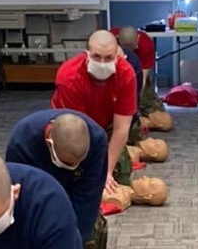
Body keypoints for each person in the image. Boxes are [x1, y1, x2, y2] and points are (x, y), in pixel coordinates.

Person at [5, 109, 109, 249]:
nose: (71, 166)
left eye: (76, 163)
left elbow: (88, 197)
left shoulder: (97, 140)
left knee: (85, 248)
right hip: (36, 201)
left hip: (74, 194)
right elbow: (20, 200)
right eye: (67, 163)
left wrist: (73, 246)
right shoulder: (21, 143)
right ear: (49, 143)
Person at [52, 30, 137, 192]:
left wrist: (107, 172)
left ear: (117, 56)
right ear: (87, 54)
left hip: (108, 124)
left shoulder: (126, 74)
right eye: (97, 56)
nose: (103, 63)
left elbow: (121, 128)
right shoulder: (69, 76)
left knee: (120, 180)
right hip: (72, 128)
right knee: (76, 181)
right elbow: (76, 129)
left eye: (109, 58)